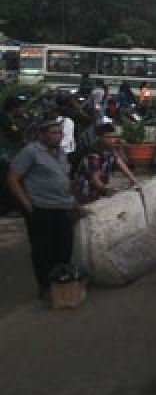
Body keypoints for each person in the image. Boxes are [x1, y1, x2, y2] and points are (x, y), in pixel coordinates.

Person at [7, 118, 89, 302]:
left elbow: (65, 181)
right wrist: (27, 203)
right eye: (54, 133)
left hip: (63, 207)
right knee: (43, 251)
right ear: (42, 134)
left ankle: (61, 285)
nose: (58, 136)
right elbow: (13, 179)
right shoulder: (31, 152)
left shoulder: (60, 153)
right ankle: (45, 287)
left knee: (64, 250)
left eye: (60, 133)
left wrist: (75, 204)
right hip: (42, 208)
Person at [73, 123, 139, 203]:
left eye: (114, 137)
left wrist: (134, 180)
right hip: (85, 190)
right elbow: (95, 179)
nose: (112, 140)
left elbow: (120, 163)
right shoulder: (94, 154)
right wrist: (107, 190)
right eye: (108, 137)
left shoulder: (110, 148)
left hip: (97, 188)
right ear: (100, 138)